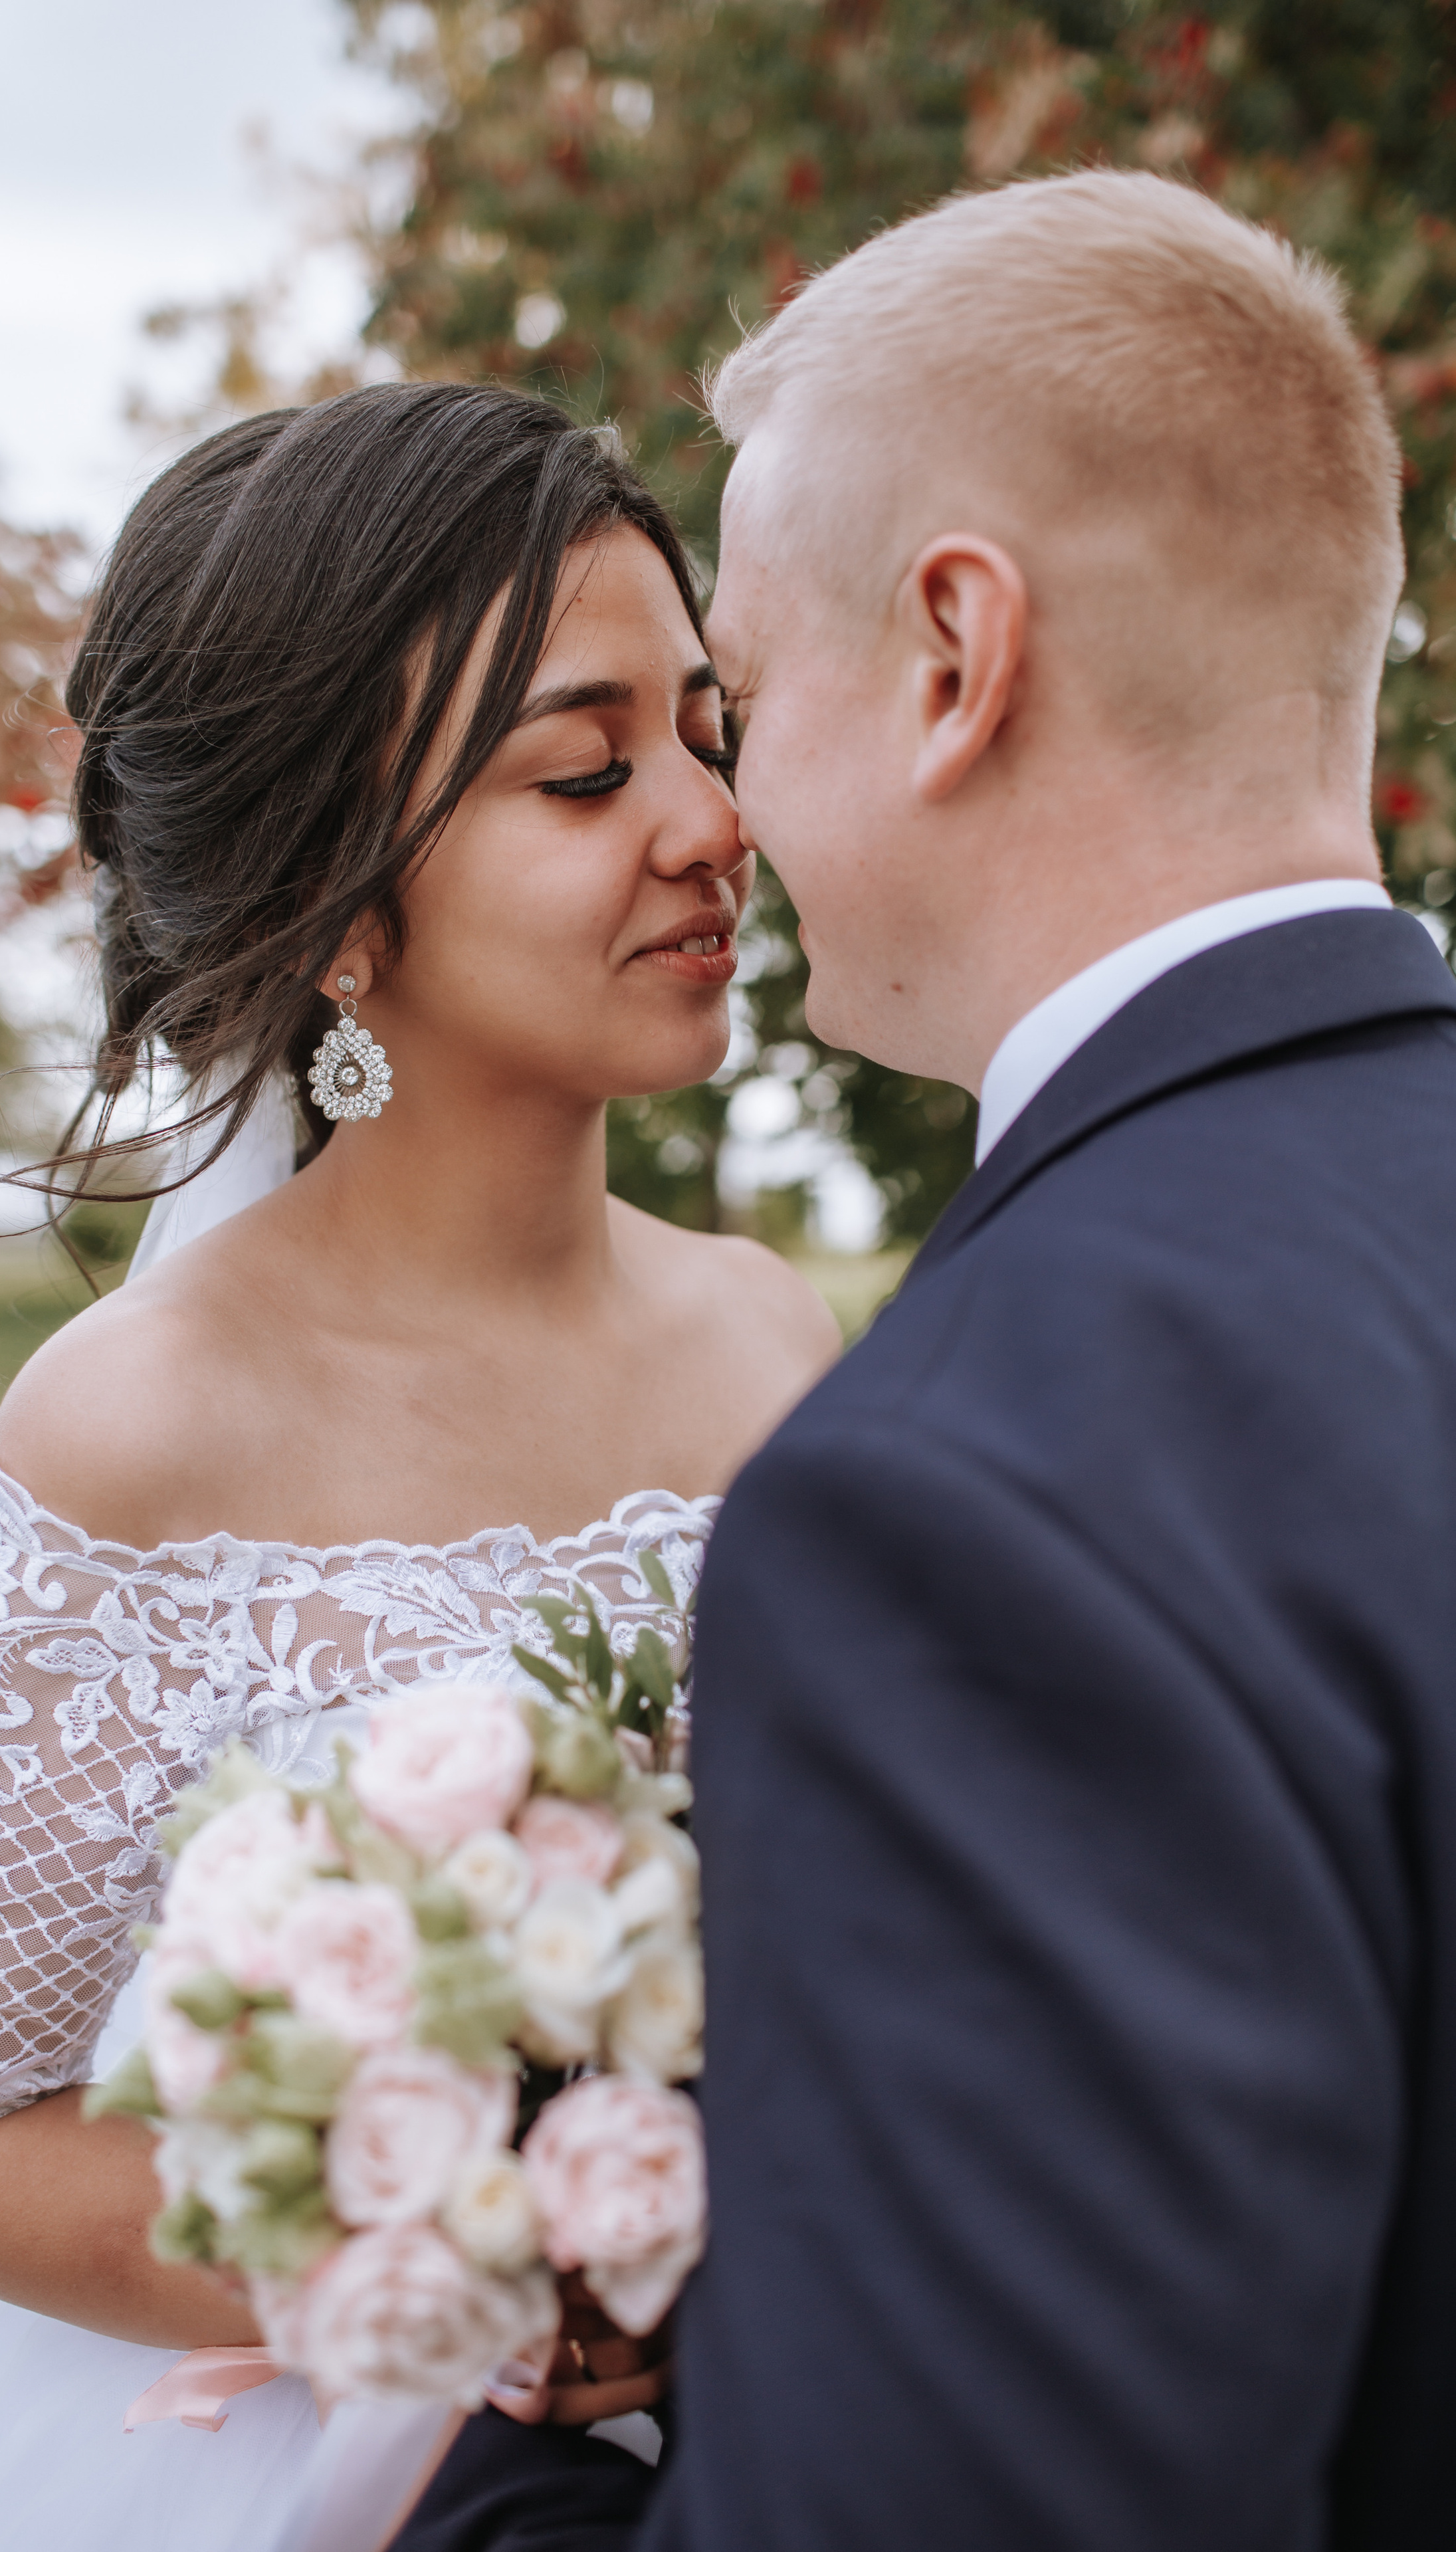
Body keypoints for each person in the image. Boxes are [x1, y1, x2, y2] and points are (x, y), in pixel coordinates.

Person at [394, 169, 1456, 2552]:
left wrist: (480, 2486)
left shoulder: (973, 1498)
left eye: (744, 706)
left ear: (959, 654)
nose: (728, 821)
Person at [0, 381, 837, 2552]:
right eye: (587, 767)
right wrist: (448, 2276)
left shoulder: (773, 1337)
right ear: (343, 905)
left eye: (707, 730)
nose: (713, 820)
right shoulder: (143, 1426)